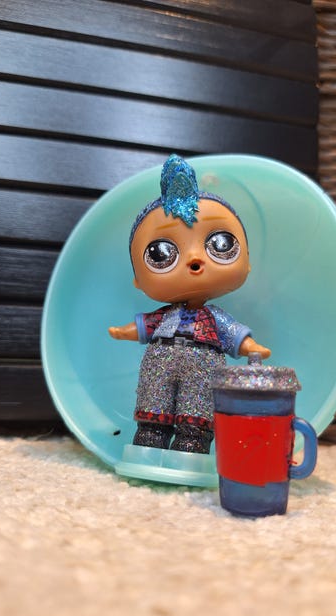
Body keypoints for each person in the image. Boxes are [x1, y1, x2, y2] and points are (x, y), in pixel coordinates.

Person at [109, 155, 270, 454]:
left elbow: (233, 335)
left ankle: (192, 442)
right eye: (160, 253)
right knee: (153, 399)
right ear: (138, 280)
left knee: (197, 408)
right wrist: (123, 331)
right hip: (160, 361)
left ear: (247, 263)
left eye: (220, 244)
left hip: (205, 365)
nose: (194, 259)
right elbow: (145, 326)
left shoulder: (215, 319)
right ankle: (150, 437)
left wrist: (250, 347)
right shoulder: (164, 317)